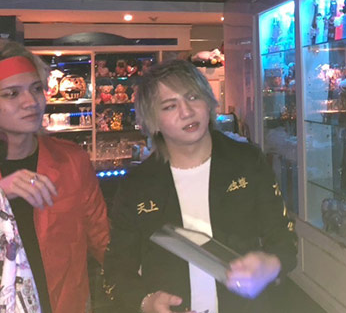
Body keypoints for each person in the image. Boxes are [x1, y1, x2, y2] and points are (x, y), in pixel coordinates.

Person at [103, 59, 297, 313]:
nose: (186, 112)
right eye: (170, 106)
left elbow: (284, 239)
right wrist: (146, 301)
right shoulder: (138, 185)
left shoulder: (246, 162)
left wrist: (270, 264)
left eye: (193, 97)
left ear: (208, 101)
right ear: (153, 121)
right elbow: (116, 269)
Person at [0, 40, 110, 312]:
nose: (31, 102)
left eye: (36, 89)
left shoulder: (71, 161)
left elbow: (104, 240)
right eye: (11, 94)